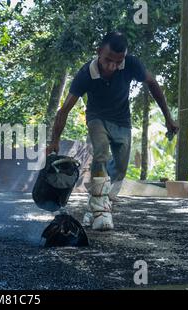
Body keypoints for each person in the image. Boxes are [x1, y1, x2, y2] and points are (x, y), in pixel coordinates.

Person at [46, 32, 179, 231]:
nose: (112, 66)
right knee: (101, 151)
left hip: (122, 121)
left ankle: (95, 205)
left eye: (118, 62)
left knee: (120, 169)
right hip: (96, 118)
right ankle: (100, 211)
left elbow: (152, 84)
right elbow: (64, 110)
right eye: (108, 60)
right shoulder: (85, 74)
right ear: (99, 52)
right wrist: (54, 141)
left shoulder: (132, 64)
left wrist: (168, 118)